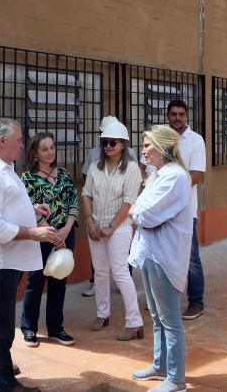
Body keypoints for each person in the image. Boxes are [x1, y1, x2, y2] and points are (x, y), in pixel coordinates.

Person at [0, 118, 58, 392]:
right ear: (2, 141)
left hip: (8, 259)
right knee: (0, 324)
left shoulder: (3, 168)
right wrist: (33, 233)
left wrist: (32, 209)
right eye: (18, 140)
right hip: (1, 261)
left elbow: (6, 207)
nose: (22, 145)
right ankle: (4, 383)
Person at [128, 125, 193, 392]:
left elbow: (146, 214)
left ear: (163, 146)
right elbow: (141, 209)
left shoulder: (175, 177)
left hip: (164, 256)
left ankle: (176, 379)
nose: (143, 150)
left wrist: (136, 211)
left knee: (170, 318)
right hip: (151, 253)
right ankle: (160, 366)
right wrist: (137, 210)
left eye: (147, 145)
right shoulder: (159, 175)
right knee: (156, 316)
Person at [82, 117, 144, 341]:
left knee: (120, 273)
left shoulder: (132, 169)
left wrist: (111, 227)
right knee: (100, 272)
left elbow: (129, 202)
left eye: (113, 142)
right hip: (96, 226)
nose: (108, 146)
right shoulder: (95, 166)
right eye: (105, 142)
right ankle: (102, 314)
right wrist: (90, 222)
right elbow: (86, 194)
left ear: (123, 144)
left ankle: (135, 322)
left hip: (119, 228)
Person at [19, 132, 79, 348]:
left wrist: (66, 230)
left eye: (52, 147)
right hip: (41, 236)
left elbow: (73, 202)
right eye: (44, 149)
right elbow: (28, 207)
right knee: (36, 282)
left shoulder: (63, 174)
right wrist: (51, 234)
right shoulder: (27, 178)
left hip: (65, 234)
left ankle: (56, 328)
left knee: (59, 281)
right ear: (35, 153)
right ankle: (29, 328)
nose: (50, 152)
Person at [165, 100, 207, 320]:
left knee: (190, 257)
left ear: (187, 116)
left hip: (185, 210)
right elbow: (146, 167)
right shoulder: (160, 138)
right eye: (173, 114)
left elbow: (196, 175)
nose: (177, 118)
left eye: (181, 114)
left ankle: (196, 302)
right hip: (160, 211)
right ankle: (164, 299)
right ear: (167, 116)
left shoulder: (195, 140)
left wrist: (167, 192)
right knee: (163, 256)